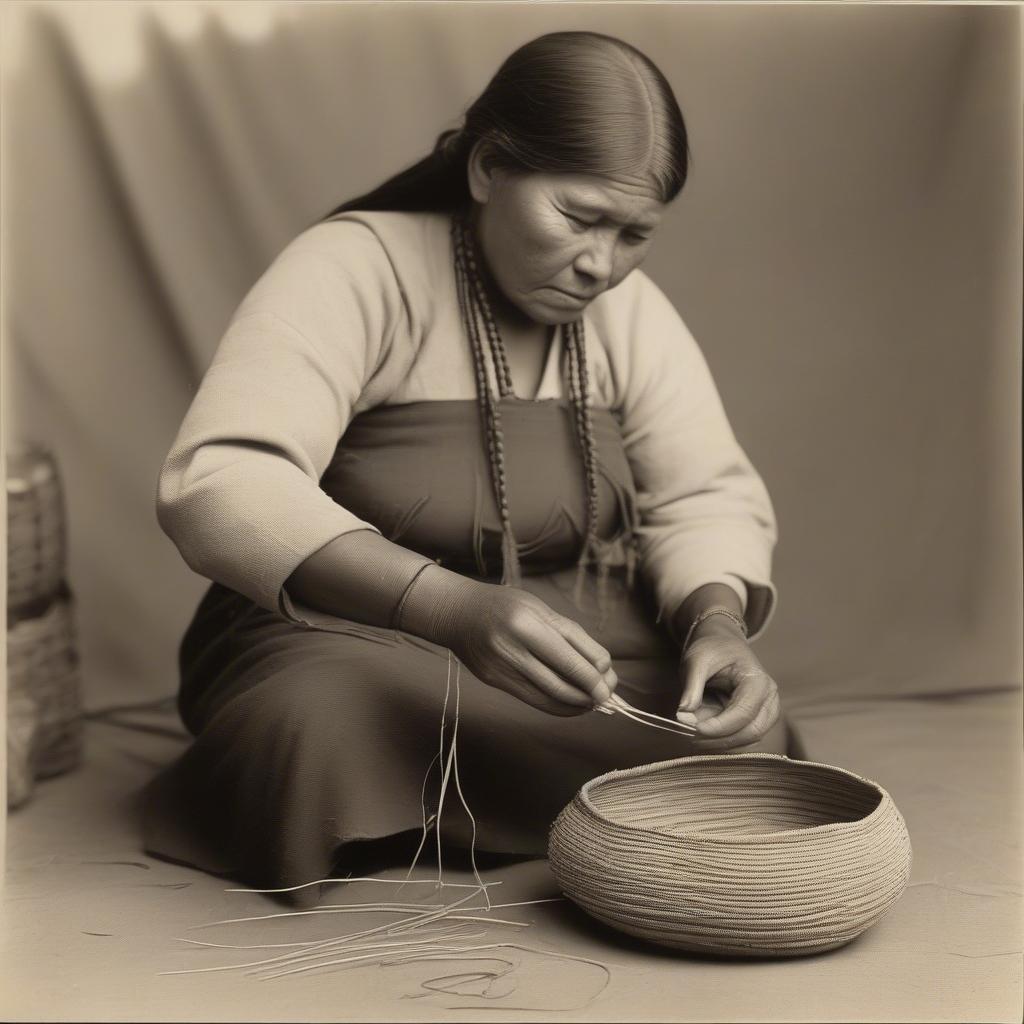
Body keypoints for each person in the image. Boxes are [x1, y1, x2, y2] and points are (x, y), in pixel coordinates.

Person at [143, 30, 796, 903]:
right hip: (356, 635)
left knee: (741, 735)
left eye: (634, 232)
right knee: (315, 722)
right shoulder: (356, 265)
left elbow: (704, 494)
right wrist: (448, 607)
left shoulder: (629, 312)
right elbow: (222, 484)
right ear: (489, 168)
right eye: (578, 217)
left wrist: (715, 627)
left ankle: (495, 807)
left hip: (570, 645)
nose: (602, 264)